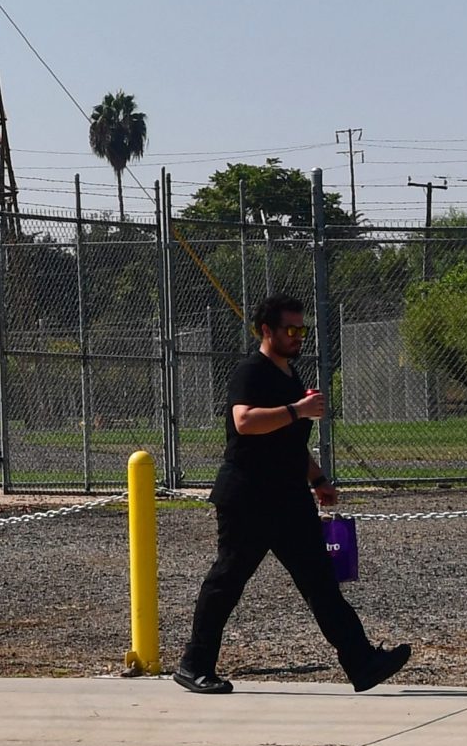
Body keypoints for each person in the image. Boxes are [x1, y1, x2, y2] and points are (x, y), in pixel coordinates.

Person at [170, 294, 410, 696]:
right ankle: (194, 664)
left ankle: (361, 661)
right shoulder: (252, 372)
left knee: (320, 583)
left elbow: (289, 444)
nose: (299, 336)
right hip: (248, 496)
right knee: (227, 581)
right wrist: (298, 409)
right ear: (267, 331)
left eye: (303, 329)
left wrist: (317, 480)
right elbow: (244, 422)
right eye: (291, 329)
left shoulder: (289, 376)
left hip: (288, 497)